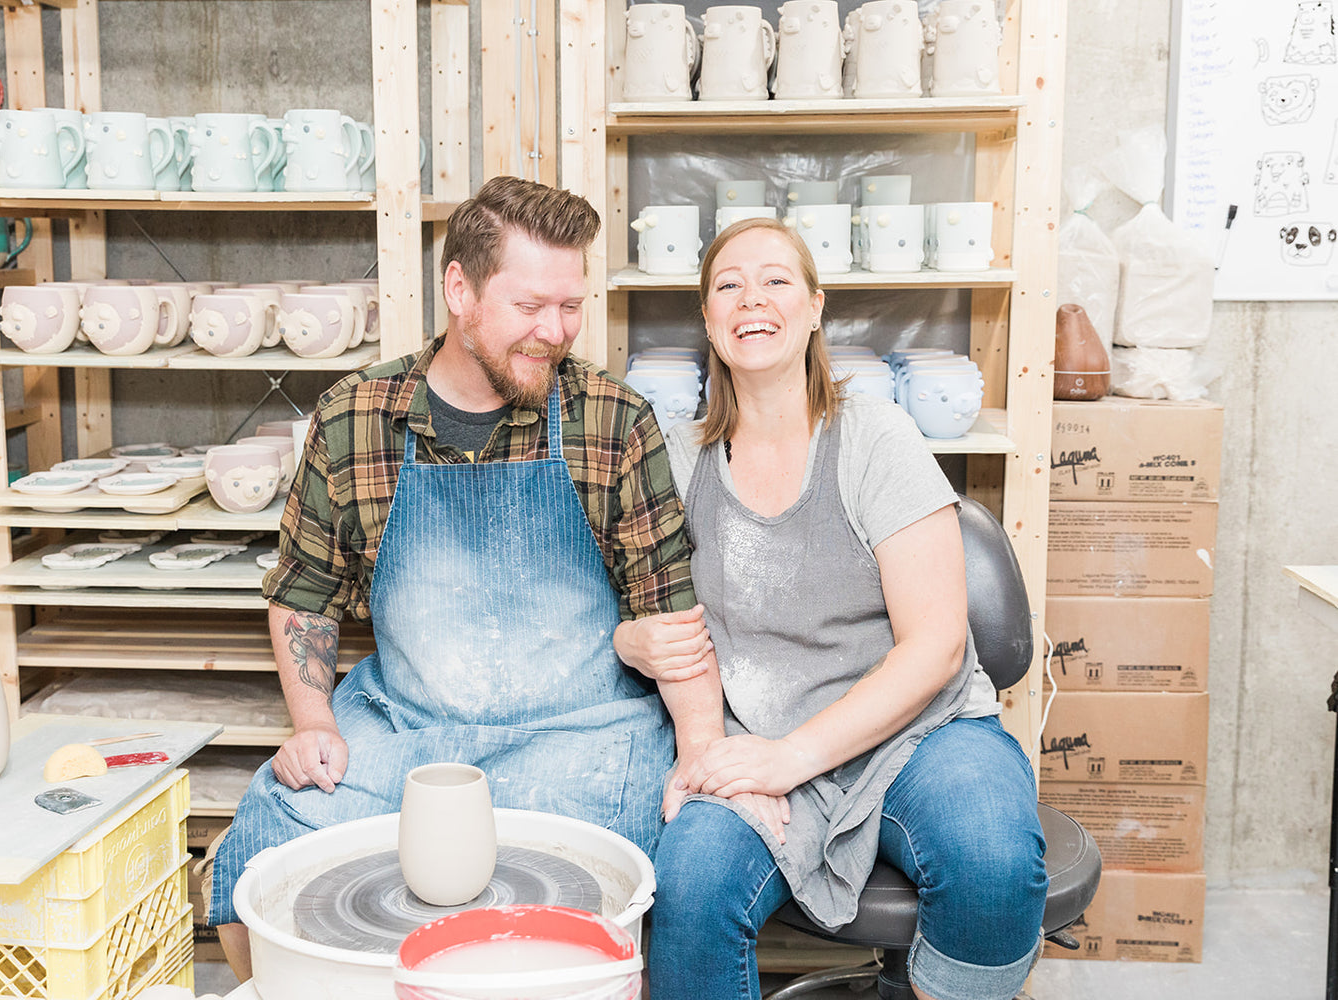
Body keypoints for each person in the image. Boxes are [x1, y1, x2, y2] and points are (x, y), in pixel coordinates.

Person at [206, 176, 723, 979]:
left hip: (579, 737)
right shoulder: (354, 418)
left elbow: (672, 612)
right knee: (258, 861)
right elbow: (305, 593)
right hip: (404, 730)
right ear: (459, 289)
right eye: (529, 307)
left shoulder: (613, 419)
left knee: (578, 913)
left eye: (570, 305)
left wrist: (700, 758)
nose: (555, 330)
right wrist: (313, 722)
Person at [618, 218, 1047, 1000]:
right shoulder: (679, 459)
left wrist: (794, 758)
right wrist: (634, 641)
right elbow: (649, 620)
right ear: (709, 319)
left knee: (994, 863)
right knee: (692, 884)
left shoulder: (877, 437)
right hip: (756, 739)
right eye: (729, 284)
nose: (754, 298)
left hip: (919, 731)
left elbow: (936, 647)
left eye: (777, 281)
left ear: (815, 308)